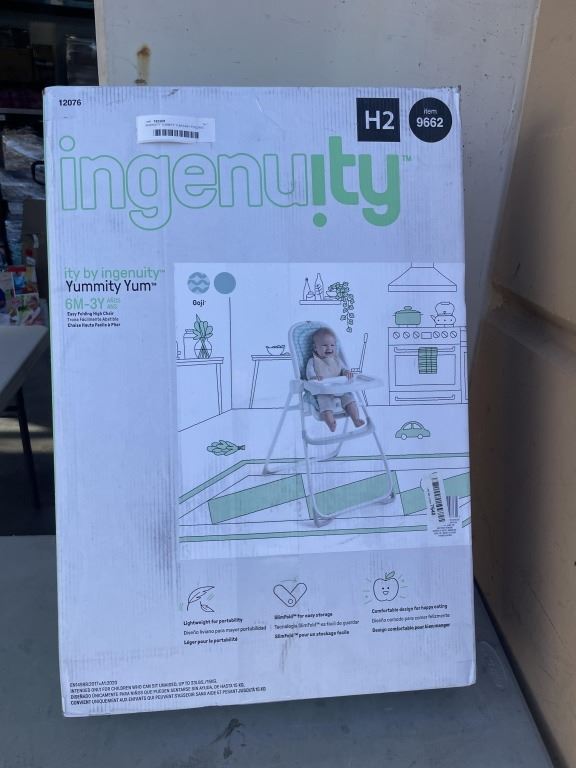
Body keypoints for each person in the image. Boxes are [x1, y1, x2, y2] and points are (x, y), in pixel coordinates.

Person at [305, 327, 365, 432]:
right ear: (315, 347)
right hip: (323, 391)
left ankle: (356, 419)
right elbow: (309, 373)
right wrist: (314, 377)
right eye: (324, 345)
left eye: (332, 345)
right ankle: (331, 423)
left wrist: (346, 373)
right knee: (326, 406)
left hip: (340, 389)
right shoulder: (313, 361)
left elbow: (344, 369)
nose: (329, 348)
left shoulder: (337, 359)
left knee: (350, 400)